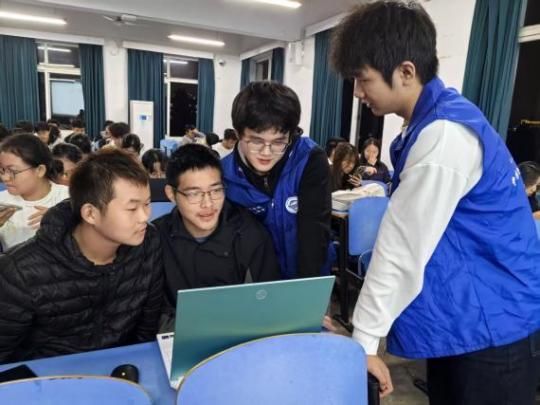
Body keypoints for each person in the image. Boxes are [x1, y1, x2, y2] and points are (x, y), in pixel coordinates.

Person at [330, 2, 540, 403]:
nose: (357, 92)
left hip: (494, 328)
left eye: (363, 79)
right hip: (473, 316)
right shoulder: (435, 119)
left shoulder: (443, 135)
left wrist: (365, 342)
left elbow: (401, 247)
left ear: (406, 72)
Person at [0, 149, 163, 363]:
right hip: (47, 376)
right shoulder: (19, 271)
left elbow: (147, 328)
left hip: (121, 368)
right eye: (132, 208)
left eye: (147, 204)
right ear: (90, 213)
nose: (144, 217)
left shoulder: (148, 243)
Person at [222, 81, 332, 279]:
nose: (266, 152)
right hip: (256, 283)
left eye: (279, 141)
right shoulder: (225, 174)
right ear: (238, 134)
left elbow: (315, 230)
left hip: (309, 272)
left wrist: (306, 288)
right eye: (256, 141)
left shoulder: (308, 158)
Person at [154, 144, 280, 315]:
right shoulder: (156, 238)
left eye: (216, 190)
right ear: (171, 194)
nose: (208, 204)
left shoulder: (251, 235)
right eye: (194, 194)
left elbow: (269, 304)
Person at [0, 134, 69, 250]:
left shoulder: (67, 198)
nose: (5, 178)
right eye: (2, 170)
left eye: (13, 171)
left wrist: (64, 222)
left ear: (40, 170)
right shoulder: (2, 202)